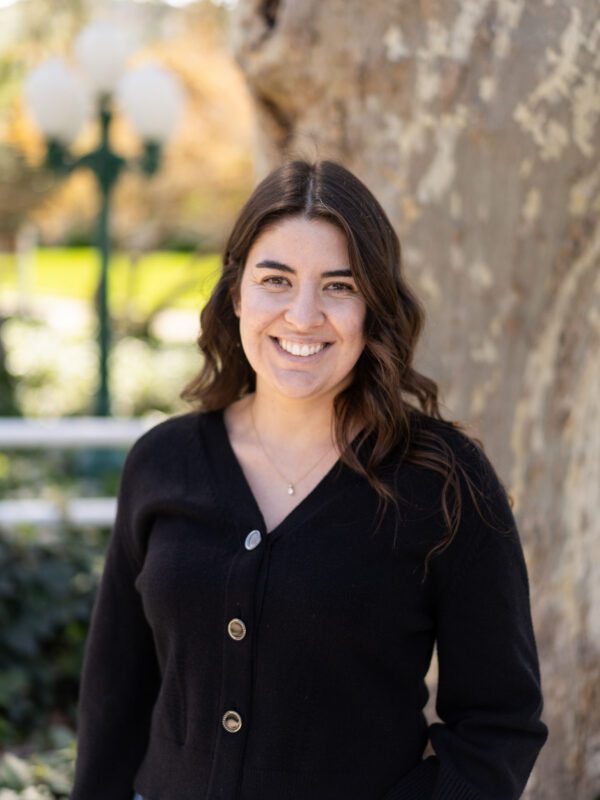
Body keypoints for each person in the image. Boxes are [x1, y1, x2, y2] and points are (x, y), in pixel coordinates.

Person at [70, 160, 548, 800]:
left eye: (338, 286)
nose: (303, 315)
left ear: (373, 306)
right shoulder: (163, 462)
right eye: (277, 280)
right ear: (237, 294)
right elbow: (114, 699)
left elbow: (499, 722)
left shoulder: (445, 481)